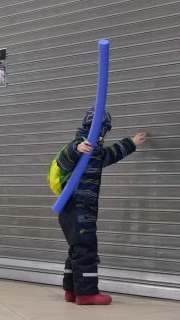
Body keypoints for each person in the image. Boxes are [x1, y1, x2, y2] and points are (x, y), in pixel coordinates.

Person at [54, 107, 147, 304]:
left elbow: (112, 154)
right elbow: (63, 161)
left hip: (79, 208)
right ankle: (87, 293)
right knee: (86, 249)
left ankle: (71, 290)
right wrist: (76, 149)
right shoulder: (81, 144)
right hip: (77, 207)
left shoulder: (96, 152)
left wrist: (131, 142)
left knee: (77, 249)